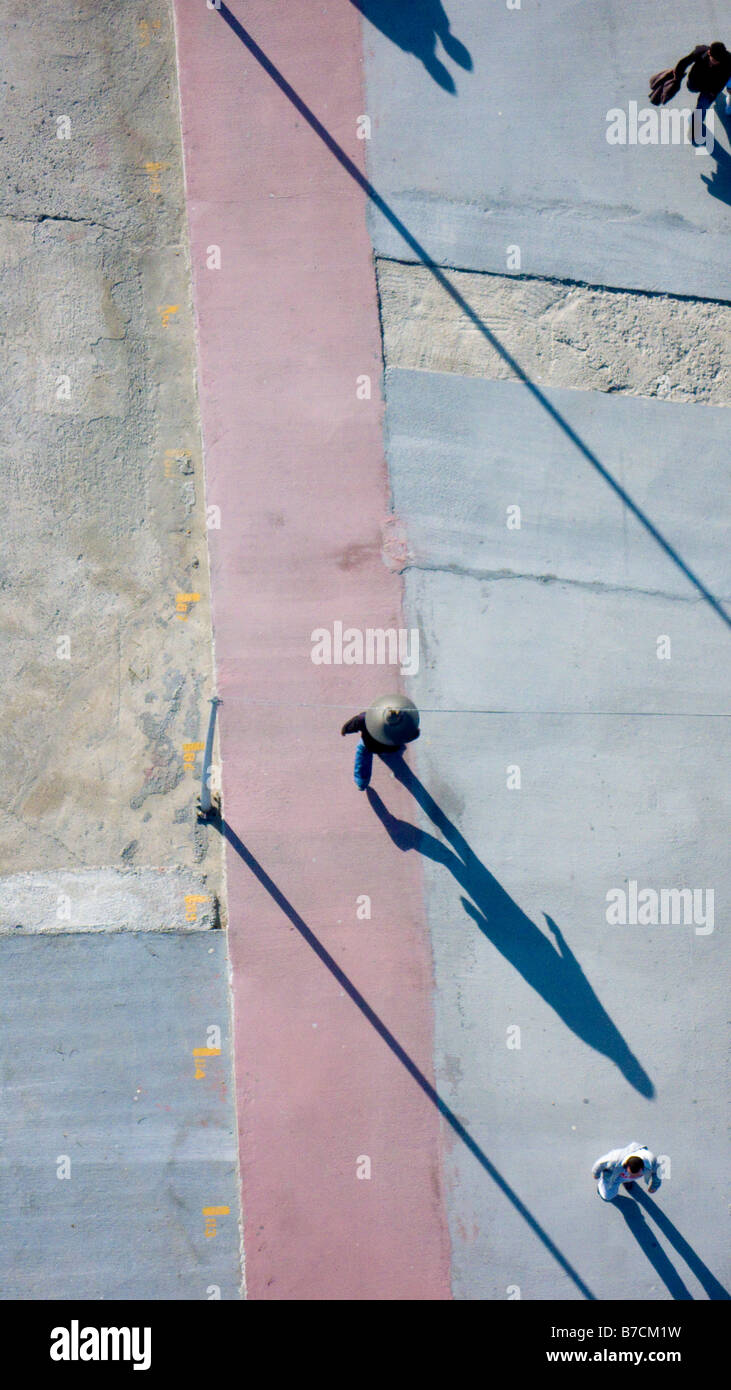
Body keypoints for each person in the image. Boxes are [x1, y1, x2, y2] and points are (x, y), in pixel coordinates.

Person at [341, 694, 419, 790]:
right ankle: (398, 771)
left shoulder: (365, 718)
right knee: (395, 755)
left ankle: (362, 782)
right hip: (391, 748)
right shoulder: (407, 725)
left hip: (370, 745)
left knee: (362, 756)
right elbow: (415, 734)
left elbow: (351, 725)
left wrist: (345, 730)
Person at [673, 41, 731, 143]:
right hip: (696, 82)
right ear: (709, 53)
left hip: (711, 88)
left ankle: (696, 124)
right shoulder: (700, 51)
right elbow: (685, 62)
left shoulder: (728, 61)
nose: (717, 62)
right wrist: (676, 75)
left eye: (719, 61)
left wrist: (714, 92)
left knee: (702, 106)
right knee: (691, 88)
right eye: (715, 60)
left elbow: (723, 81)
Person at [592, 1142, 663, 1202]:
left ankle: (626, 1181)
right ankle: (601, 1185)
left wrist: (654, 1186)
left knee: (629, 1178)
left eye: (636, 1175)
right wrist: (596, 1173)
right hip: (614, 1174)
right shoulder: (614, 1161)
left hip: (624, 1173)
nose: (633, 1177)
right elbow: (600, 1163)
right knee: (608, 1196)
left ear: (642, 1167)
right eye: (631, 1174)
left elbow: (657, 1173)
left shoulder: (651, 1161)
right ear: (626, 1166)